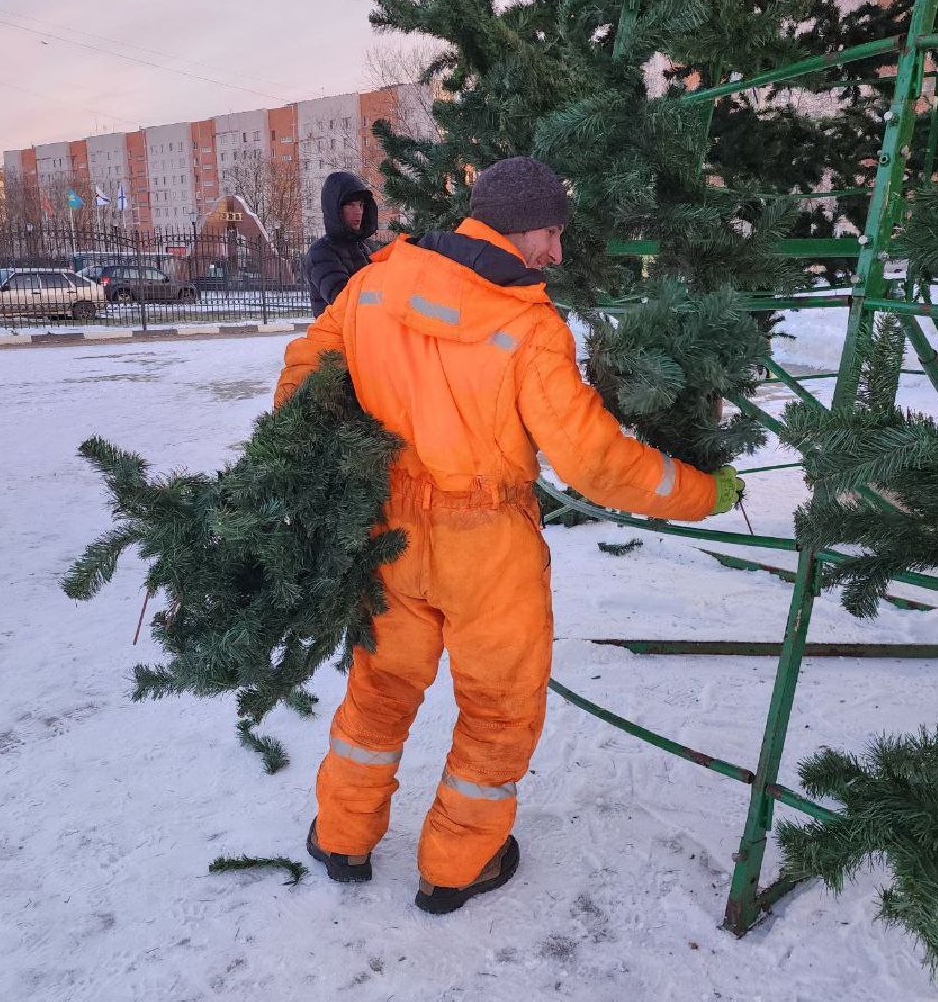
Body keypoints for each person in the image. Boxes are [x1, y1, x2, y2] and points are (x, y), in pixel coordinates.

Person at [272, 157, 745, 914]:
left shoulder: (374, 283)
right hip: (486, 545)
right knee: (497, 709)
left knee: (380, 689)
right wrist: (700, 491)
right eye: (551, 233)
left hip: (388, 532)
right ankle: (459, 864)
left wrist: (314, 465)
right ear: (516, 225)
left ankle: (342, 835)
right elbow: (594, 462)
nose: (557, 253)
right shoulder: (527, 327)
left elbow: (304, 376)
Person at [306, 170, 377, 317]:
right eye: (351, 205)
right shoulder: (321, 252)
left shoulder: (366, 247)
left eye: (361, 205)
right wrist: (384, 298)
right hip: (336, 337)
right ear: (335, 209)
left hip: (364, 334)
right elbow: (343, 299)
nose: (358, 212)